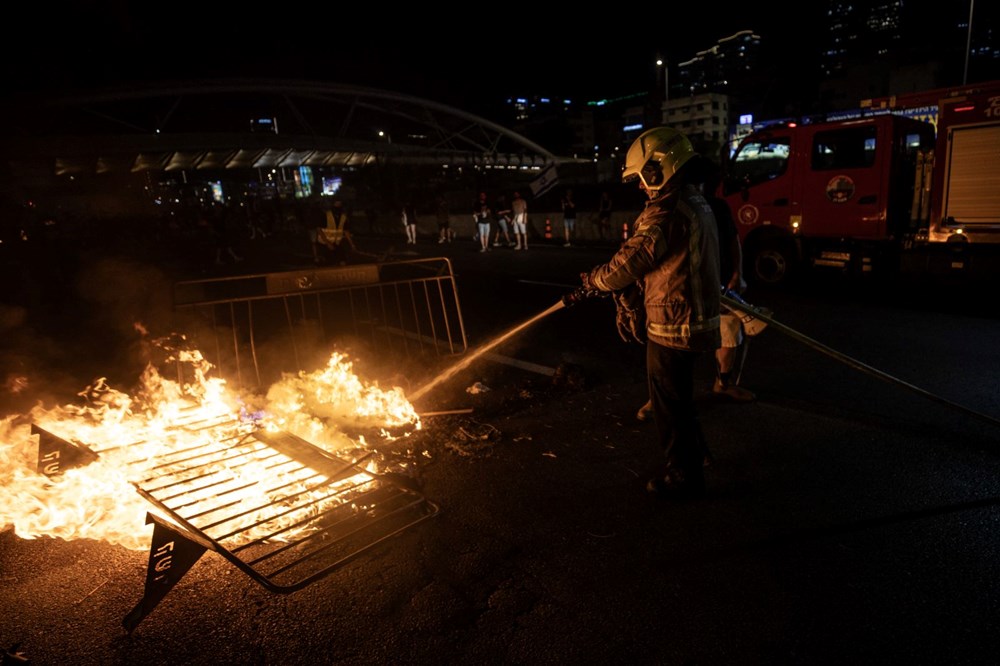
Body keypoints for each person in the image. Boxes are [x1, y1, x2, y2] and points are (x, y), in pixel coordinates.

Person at [571, 127, 721, 500]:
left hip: (674, 322)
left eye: (641, 177)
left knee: (668, 404)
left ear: (658, 168)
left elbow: (632, 260)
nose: (640, 186)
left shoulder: (666, 210)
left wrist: (596, 280)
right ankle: (697, 456)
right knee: (680, 397)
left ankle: (683, 476)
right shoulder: (694, 199)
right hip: (692, 316)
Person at [636, 159, 755, 421]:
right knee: (664, 347)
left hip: (719, 286)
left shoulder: (716, 207)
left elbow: (734, 241)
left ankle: (723, 384)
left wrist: (738, 273)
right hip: (680, 294)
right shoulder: (669, 210)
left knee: (731, 331)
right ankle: (657, 399)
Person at [316, 198, 355, 265]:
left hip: (336, 243)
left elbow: (346, 231)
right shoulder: (326, 215)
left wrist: (352, 244)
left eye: (339, 204)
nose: (338, 206)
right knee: (328, 263)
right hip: (324, 243)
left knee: (342, 260)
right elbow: (319, 229)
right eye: (336, 204)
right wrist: (327, 242)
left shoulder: (343, 217)